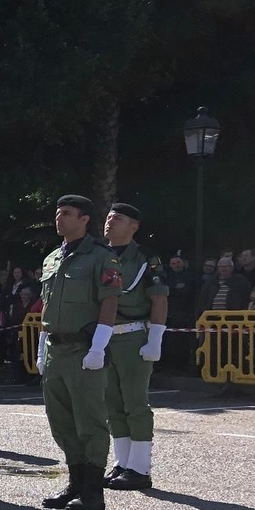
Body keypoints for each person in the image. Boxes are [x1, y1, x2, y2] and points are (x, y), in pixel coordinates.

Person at [37, 195, 122, 510]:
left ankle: (92, 491)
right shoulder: (51, 259)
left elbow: (109, 301)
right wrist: (41, 348)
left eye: (67, 214)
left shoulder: (101, 257)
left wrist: (100, 345)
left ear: (85, 219)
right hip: (56, 349)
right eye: (58, 213)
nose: (59, 218)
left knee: (90, 421)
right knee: (61, 421)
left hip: (83, 349)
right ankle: (74, 482)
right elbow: (46, 305)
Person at [100, 203, 168, 491]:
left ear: (134, 226)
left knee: (135, 403)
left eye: (119, 218)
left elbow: (159, 299)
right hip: (105, 336)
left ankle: (140, 469)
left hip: (132, 336)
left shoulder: (144, 260)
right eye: (109, 216)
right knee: (112, 403)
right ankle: (123, 463)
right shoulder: (99, 256)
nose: (111, 221)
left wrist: (155, 339)